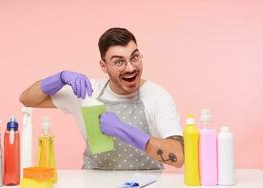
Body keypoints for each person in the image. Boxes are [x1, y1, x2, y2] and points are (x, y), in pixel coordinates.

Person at [20, 27, 184, 170]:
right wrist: (59, 78)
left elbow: (178, 156)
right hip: (94, 184)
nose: (131, 68)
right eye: (119, 62)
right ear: (103, 66)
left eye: (134, 57)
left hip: (148, 185)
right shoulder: (86, 92)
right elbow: (27, 99)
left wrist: (123, 130)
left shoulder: (157, 96)